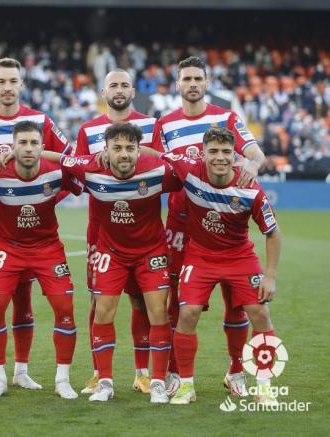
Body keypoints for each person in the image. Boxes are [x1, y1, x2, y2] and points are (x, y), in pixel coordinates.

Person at [152, 56, 267, 396]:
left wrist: (255, 167)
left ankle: (236, 372)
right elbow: (153, 163)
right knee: (179, 304)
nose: (192, 84)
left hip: (222, 226)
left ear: (206, 82)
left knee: (237, 303)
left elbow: (255, 153)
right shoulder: (165, 124)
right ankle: (176, 373)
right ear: (177, 84)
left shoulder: (226, 117)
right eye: (185, 78)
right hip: (179, 226)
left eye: (197, 78)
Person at [0, 58, 71, 389]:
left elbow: (68, 160)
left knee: (23, 295)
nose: (7, 87)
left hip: (25, 229)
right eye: (1, 81)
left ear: (22, 84)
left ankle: (21, 370)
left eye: (13, 81)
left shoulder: (40, 121)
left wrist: (44, 200)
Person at [60, 122, 180, 403]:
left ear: (140, 151)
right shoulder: (90, 168)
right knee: (103, 311)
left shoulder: (158, 168)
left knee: (158, 313)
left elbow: (194, 170)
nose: (124, 154)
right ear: (106, 151)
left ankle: (159, 383)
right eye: (117, 148)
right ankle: (105, 383)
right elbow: (59, 159)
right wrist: (14, 153)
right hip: (111, 253)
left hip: (151, 252)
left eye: (130, 148)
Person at [162, 127, 280, 406]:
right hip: (200, 256)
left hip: (239, 256)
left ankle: (264, 386)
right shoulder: (188, 169)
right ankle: (185, 386)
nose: (220, 158)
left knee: (260, 313)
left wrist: (270, 276)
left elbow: (273, 233)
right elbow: (154, 155)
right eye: (213, 151)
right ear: (202, 154)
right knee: (187, 312)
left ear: (235, 155)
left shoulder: (250, 187)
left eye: (226, 152)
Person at [0, 120, 80, 400]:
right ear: (12, 146)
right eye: (23, 143)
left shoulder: (56, 172)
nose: (28, 148)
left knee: (64, 307)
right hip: (9, 248)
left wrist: (55, 160)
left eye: (34, 143)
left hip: (47, 248)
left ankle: (63, 379)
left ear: (42, 147)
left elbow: (83, 169)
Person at [75, 69, 158, 395]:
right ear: (103, 90)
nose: (119, 90)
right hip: (101, 229)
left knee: (142, 300)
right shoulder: (88, 129)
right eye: (113, 85)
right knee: (99, 301)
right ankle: (99, 373)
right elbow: (80, 171)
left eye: (124, 85)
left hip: (143, 227)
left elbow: (162, 165)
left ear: (133, 90)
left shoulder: (152, 126)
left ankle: (142, 373)